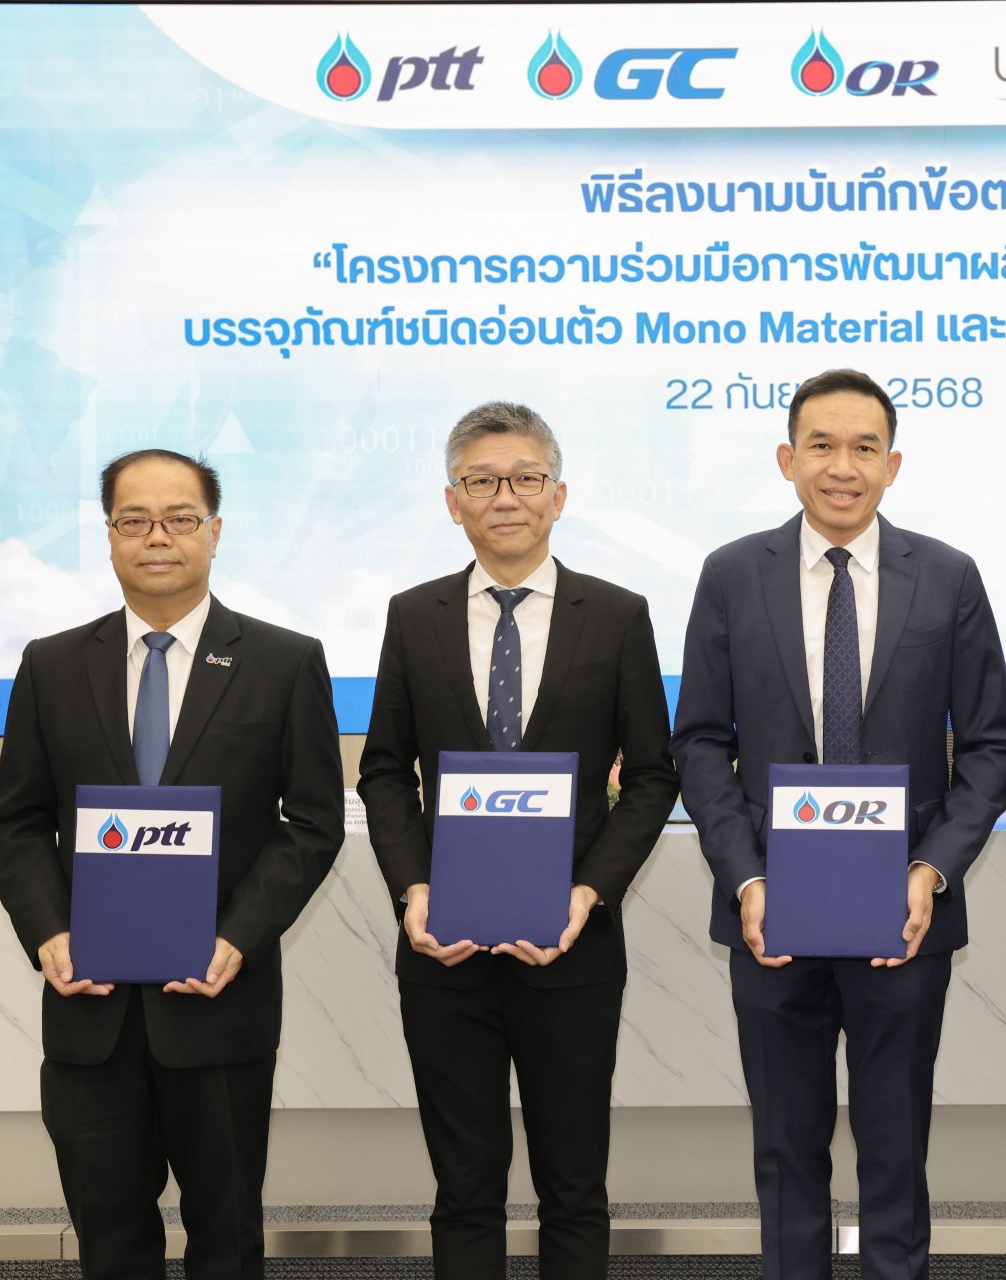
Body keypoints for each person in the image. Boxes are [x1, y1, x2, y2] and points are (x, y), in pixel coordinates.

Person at [670, 368, 1006, 1280]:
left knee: (896, 1147)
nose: (842, 467)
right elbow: (699, 742)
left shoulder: (947, 576)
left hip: (904, 913)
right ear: (787, 459)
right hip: (769, 912)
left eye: (865, 448)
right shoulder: (731, 574)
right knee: (786, 1150)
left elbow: (989, 746)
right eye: (821, 445)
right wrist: (746, 877)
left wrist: (931, 872)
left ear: (893, 465)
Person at [0, 448, 344, 1280]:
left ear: (214, 531)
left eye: (180, 518)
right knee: (109, 1243)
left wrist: (238, 937)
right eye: (134, 520)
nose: (157, 537)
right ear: (109, 536)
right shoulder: (51, 664)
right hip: (90, 1009)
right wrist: (49, 934)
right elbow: (17, 822)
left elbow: (314, 823)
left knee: (227, 1240)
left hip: (220, 1004)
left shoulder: (285, 661)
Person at [358, 402, 679, 1278]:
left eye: (526, 478)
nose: (506, 497)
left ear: (558, 495)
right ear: (452, 501)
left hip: (572, 949)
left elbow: (653, 777)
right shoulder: (413, 616)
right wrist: (414, 890)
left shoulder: (616, 615)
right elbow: (383, 771)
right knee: (464, 1190)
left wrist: (588, 893)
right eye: (482, 480)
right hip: (443, 949)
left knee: (573, 1186)